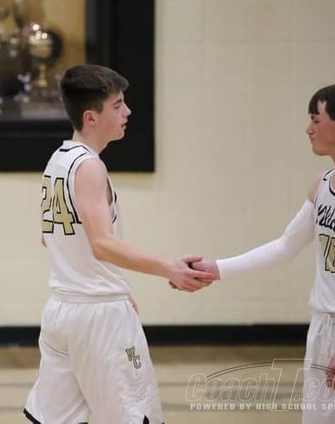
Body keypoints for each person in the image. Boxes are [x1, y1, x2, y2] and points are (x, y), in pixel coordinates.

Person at [188, 82, 335, 423]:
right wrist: (215, 268)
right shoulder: (321, 184)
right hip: (323, 328)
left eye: (316, 120)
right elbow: (285, 246)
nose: (308, 129)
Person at [23, 63, 215, 423]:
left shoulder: (57, 160)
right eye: (117, 105)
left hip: (62, 311)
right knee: (136, 417)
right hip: (100, 317)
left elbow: (50, 239)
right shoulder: (90, 167)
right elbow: (101, 244)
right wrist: (167, 268)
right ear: (91, 117)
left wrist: (112, 285)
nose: (127, 111)